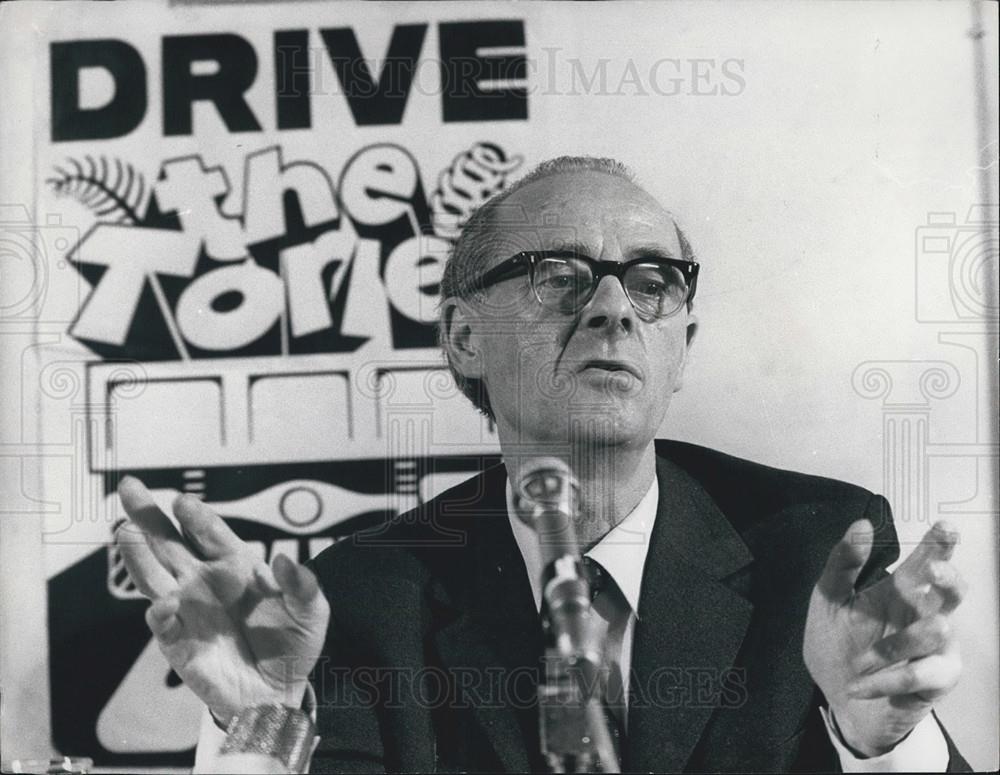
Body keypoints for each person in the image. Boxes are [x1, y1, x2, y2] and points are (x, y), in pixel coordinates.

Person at [116, 156, 969, 773]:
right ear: (463, 336)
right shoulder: (365, 599)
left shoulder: (815, 549)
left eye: (652, 282)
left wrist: (878, 744)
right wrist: (261, 726)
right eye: (558, 275)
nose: (611, 310)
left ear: (682, 350)